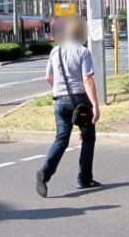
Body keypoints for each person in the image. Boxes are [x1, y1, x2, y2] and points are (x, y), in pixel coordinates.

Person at [36, 16, 101, 197]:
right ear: (82, 32)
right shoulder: (83, 52)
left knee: (61, 140)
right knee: (88, 138)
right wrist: (95, 105)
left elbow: (48, 77)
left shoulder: (55, 52)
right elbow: (87, 80)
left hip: (60, 102)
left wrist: (60, 91)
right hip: (80, 102)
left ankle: (45, 173)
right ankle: (84, 178)